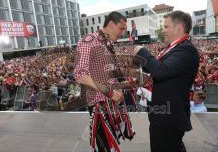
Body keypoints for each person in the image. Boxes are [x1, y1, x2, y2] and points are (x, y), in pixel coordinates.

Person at [134, 11, 200, 152]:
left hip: (169, 119)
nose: (162, 30)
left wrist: (143, 52)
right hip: (163, 116)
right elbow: (163, 73)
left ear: (179, 27)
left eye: (166, 26)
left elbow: (161, 71)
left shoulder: (187, 50)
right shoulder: (175, 48)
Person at [74, 11, 134, 152]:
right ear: (111, 24)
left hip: (111, 104)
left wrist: (124, 84)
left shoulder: (108, 44)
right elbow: (80, 74)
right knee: (104, 147)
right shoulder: (88, 41)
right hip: (98, 105)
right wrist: (110, 92)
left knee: (110, 144)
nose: (123, 32)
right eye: (121, 28)